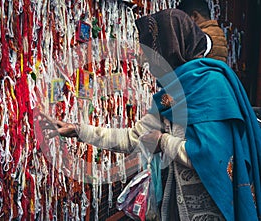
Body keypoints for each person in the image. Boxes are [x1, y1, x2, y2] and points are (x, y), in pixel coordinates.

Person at [40, 8, 261, 220]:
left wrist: (164, 142)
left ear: (171, 46)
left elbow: (211, 156)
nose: (147, 61)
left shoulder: (212, 86)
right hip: (176, 207)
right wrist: (78, 130)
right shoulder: (171, 94)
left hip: (215, 208)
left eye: (151, 53)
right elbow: (133, 138)